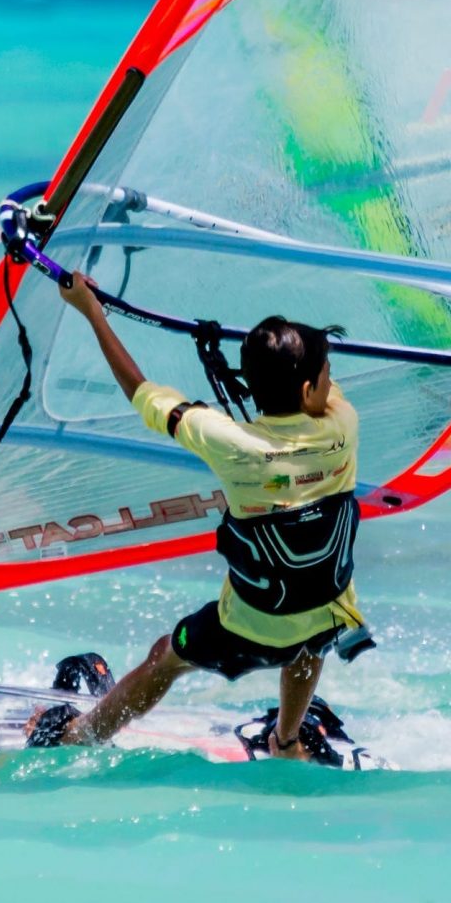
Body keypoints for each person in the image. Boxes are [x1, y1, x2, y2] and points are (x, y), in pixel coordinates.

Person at [24, 272, 363, 761]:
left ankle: (78, 736)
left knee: (168, 655)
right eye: (327, 373)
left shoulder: (228, 442)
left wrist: (92, 313)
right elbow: (319, 391)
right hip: (330, 613)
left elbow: (140, 392)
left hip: (250, 625)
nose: (332, 381)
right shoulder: (342, 427)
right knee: (308, 640)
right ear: (310, 389)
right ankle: (286, 741)